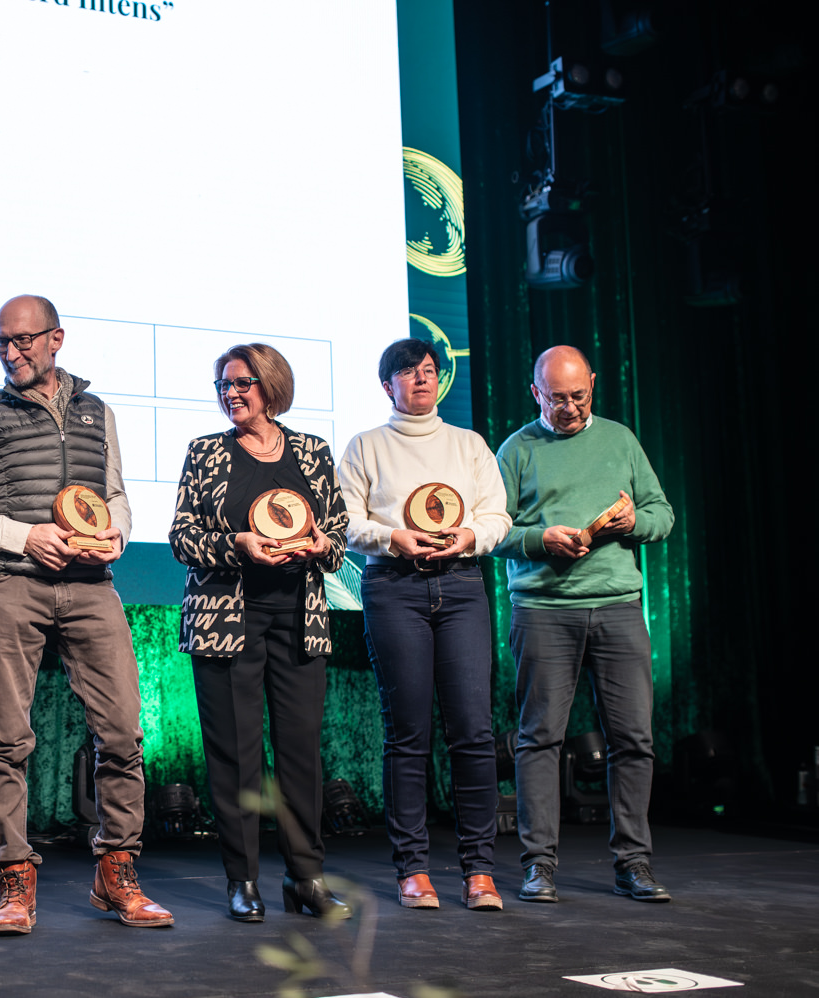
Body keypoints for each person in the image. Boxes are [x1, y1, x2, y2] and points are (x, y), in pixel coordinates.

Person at [0, 294, 174, 935]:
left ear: (55, 339)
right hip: (12, 583)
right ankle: (14, 878)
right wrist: (24, 537)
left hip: (93, 586)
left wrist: (117, 533)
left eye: (23, 340)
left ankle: (116, 871)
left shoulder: (99, 412)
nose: (11, 353)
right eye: (2, 342)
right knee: (7, 739)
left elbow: (115, 494)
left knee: (122, 734)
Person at [169, 343, 351, 923]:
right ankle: (242, 879)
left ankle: (306, 878)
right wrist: (237, 545)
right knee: (236, 755)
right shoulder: (205, 452)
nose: (231, 393)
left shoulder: (313, 451)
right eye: (223, 385)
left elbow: (339, 534)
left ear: (270, 385)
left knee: (300, 754)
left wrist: (322, 546)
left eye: (241, 382)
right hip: (226, 621)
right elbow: (181, 537)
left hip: (298, 618)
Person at [493, 345, 675, 903]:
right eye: (557, 398)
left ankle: (633, 863)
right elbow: (492, 531)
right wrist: (539, 539)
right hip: (544, 611)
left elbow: (663, 515)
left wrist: (634, 520)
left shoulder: (620, 439)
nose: (569, 407)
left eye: (579, 396)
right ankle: (538, 866)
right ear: (535, 393)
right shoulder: (517, 449)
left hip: (618, 607)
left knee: (633, 740)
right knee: (539, 740)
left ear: (592, 384)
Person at [336, 339, 511, 911]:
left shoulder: (469, 444)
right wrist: (393, 537)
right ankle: (413, 869)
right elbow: (344, 521)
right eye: (408, 372)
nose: (421, 379)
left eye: (429, 370)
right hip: (394, 586)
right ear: (387, 385)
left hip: (461, 585)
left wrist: (469, 537)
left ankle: (479, 871)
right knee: (407, 733)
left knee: (474, 731)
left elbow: (497, 515)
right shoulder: (366, 445)